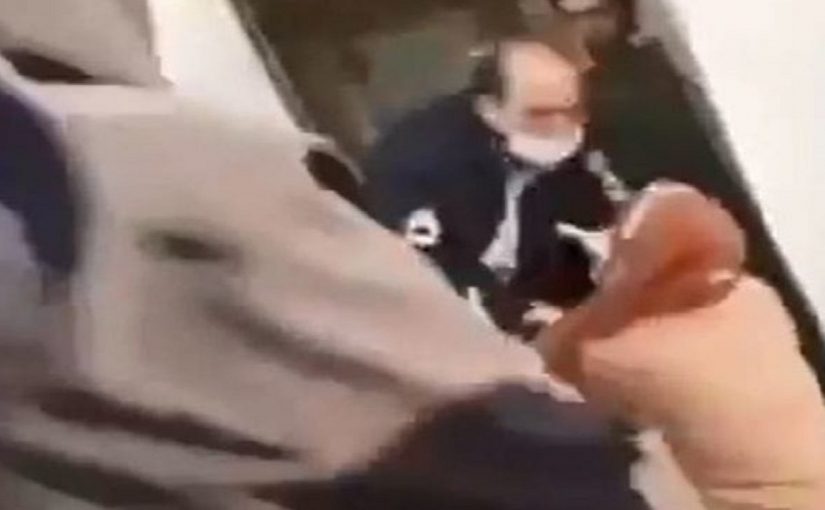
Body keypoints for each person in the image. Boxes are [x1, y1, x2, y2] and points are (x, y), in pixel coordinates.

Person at [363, 37, 628, 337]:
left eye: (571, 110)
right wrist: (516, 314)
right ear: (489, 108)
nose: (561, 127)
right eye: (540, 115)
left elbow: (594, 221)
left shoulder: (572, 155)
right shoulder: (416, 158)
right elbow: (425, 265)